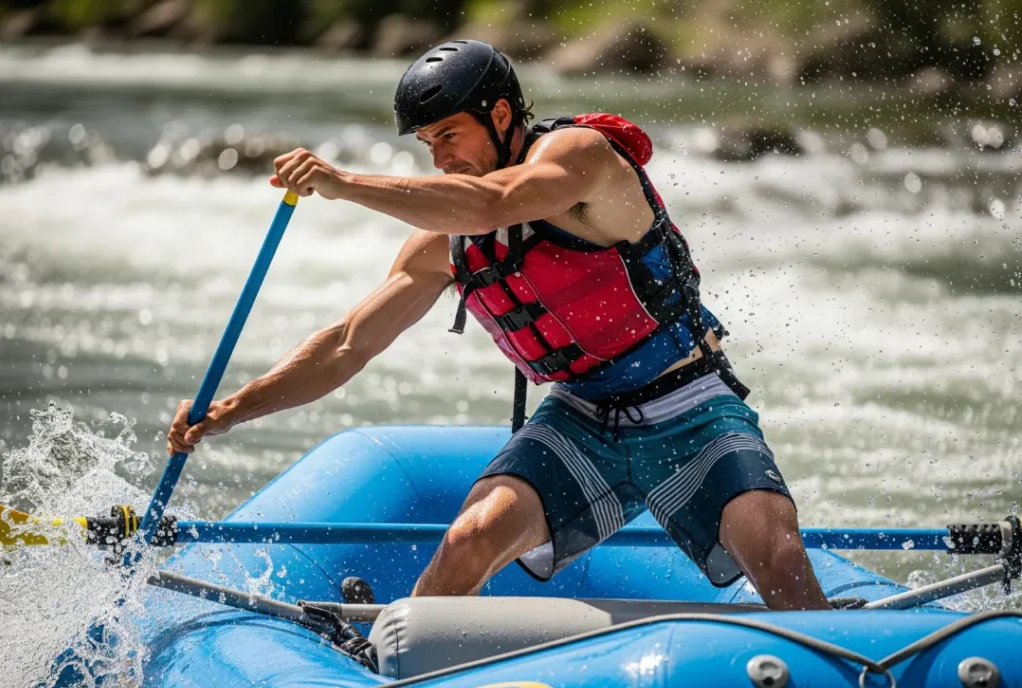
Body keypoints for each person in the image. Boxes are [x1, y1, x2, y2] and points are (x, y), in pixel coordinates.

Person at [167, 40, 830, 610]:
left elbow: (495, 202)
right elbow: (345, 346)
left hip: (689, 403)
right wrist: (229, 409)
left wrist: (345, 183)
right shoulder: (443, 246)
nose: (439, 160)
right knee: (467, 541)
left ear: (503, 114)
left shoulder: (582, 158)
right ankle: (394, 668)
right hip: (581, 416)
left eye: (448, 136)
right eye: (427, 145)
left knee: (775, 553)